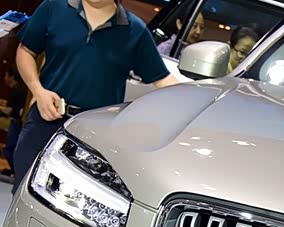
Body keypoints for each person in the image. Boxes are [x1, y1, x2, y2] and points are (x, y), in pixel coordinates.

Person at [12, 0, 178, 192]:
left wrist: (199, 98)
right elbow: (26, 51)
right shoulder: (54, 7)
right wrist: (38, 90)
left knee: (78, 203)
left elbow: (163, 79)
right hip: (45, 121)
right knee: (24, 194)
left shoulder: (134, 30)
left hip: (93, 139)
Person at [1, 67, 27, 180]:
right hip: (18, 122)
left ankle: (15, 172)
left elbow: (9, 110)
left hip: (17, 122)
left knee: (10, 149)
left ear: (11, 77)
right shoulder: (21, 89)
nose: (4, 78)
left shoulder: (16, 91)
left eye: (6, 75)